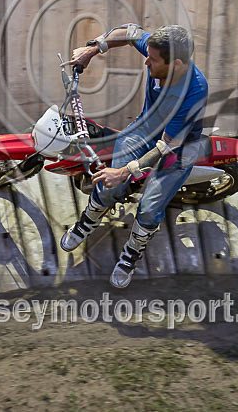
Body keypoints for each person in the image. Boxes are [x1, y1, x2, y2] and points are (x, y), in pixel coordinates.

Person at [60, 24, 208, 288]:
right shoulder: (160, 48)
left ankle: (131, 254)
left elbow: (164, 148)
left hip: (177, 148)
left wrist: (124, 172)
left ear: (174, 64)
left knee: (150, 207)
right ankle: (87, 222)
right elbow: (129, 32)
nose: (146, 62)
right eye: (147, 55)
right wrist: (93, 49)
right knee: (106, 186)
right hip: (143, 130)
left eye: (152, 60)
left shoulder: (193, 92)